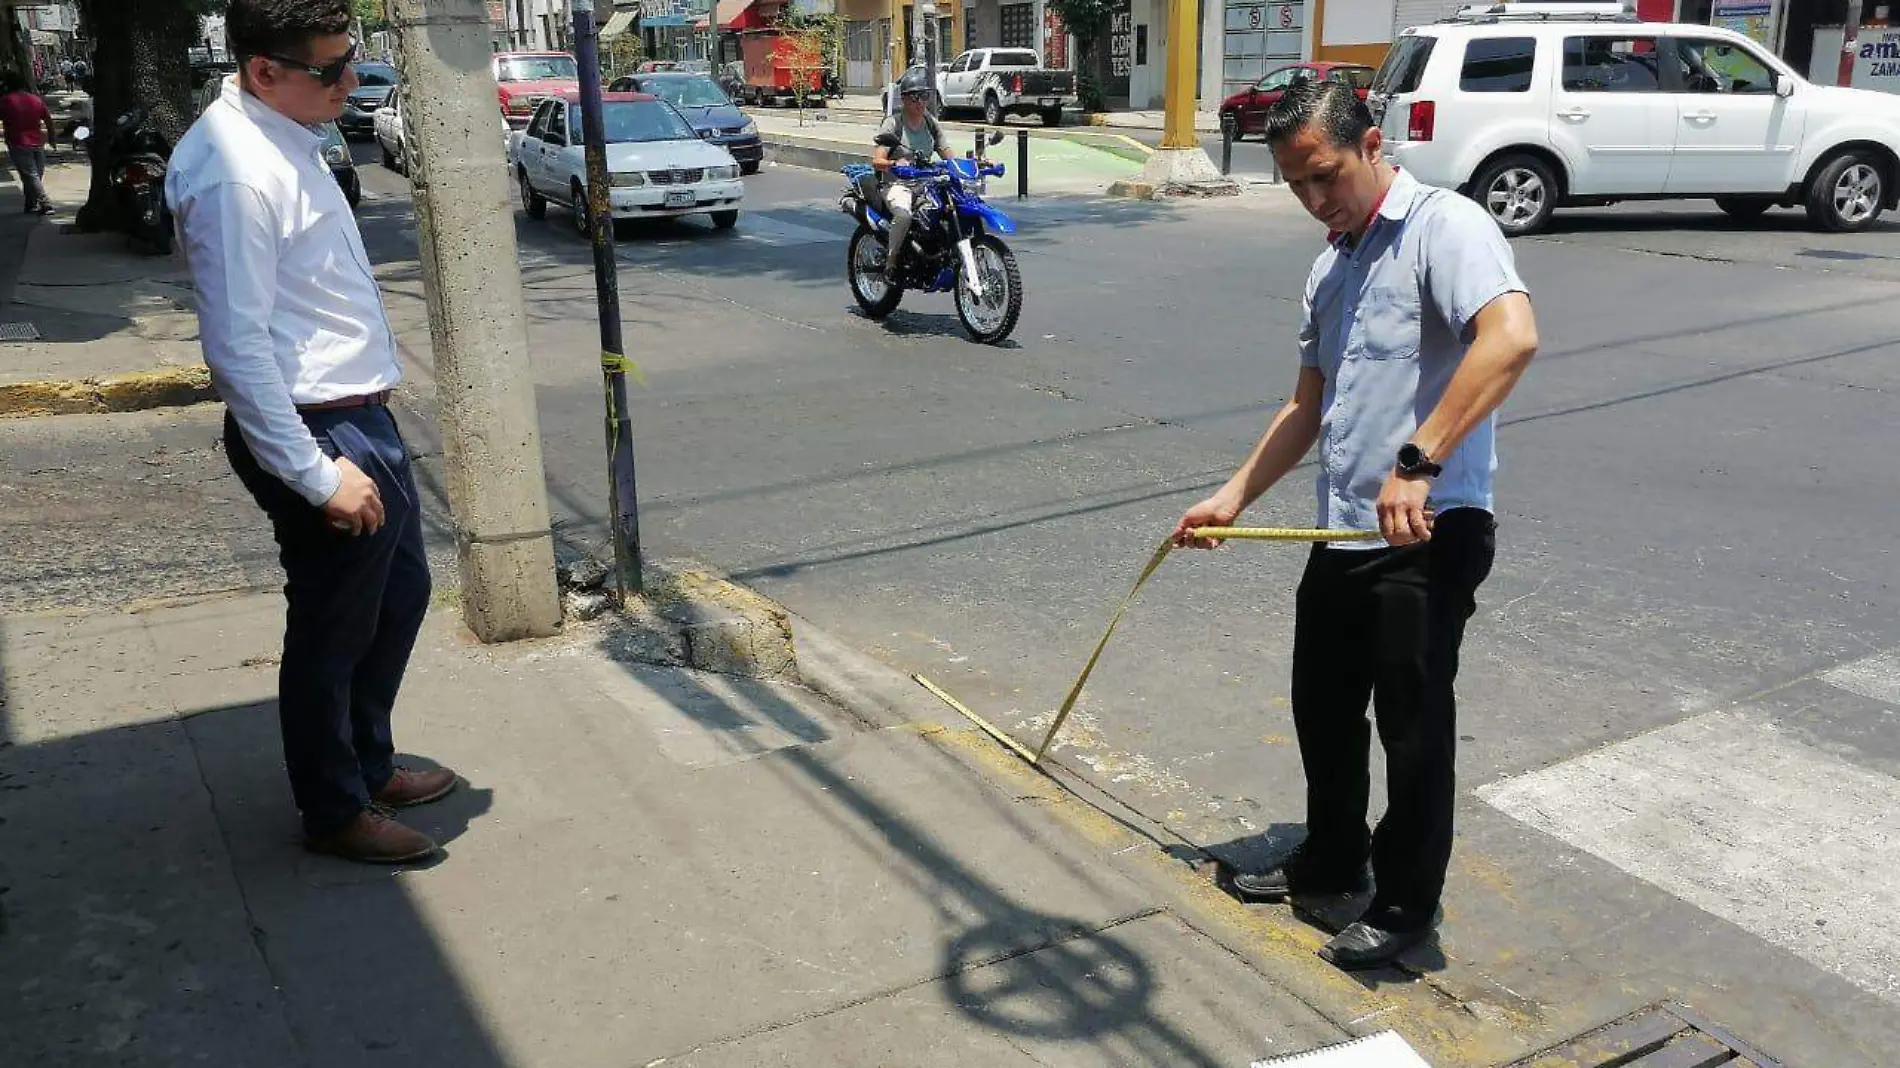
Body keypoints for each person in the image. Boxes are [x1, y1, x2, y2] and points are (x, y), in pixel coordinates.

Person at [1171, 80, 1540, 970]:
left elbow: (1511, 337)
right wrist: (1233, 495)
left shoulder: (1442, 229)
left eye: (1325, 177)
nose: (1314, 201)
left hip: (1429, 532)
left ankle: (1408, 903)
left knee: (1412, 728)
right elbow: (1309, 407)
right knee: (1322, 707)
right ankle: (1333, 858)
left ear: (1373, 144)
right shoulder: (1332, 263)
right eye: (1296, 186)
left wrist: (1418, 462)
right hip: (1340, 534)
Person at [166, 0, 455, 864]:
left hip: (356, 414)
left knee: (397, 597)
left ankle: (367, 762)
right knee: (333, 626)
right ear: (264, 71)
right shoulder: (236, 172)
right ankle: (334, 808)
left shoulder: (283, 135)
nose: (353, 80)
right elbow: (235, 345)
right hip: (316, 425)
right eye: (331, 69)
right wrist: (318, 473)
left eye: (352, 58)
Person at [870, 68, 951, 280]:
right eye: (915, 97)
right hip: (897, 184)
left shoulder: (930, 122)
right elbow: (877, 160)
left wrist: (963, 165)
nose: (921, 102)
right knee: (904, 215)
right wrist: (895, 163)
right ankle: (891, 261)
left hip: (926, 183)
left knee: (949, 209)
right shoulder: (893, 123)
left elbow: (946, 151)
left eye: (925, 96)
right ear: (904, 99)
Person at [0, 70, 57, 214]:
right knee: (34, 174)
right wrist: (52, 137)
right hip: (37, 141)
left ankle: (45, 204)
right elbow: (48, 119)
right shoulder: (35, 99)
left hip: (18, 142)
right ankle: (30, 203)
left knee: (31, 175)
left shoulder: (5, 101)